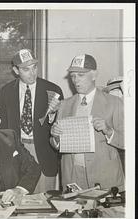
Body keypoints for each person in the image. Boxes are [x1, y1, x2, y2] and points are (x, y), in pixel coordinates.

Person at [50, 54, 124, 191]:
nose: (75, 80)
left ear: (94, 75)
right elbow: (56, 145)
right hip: (72, 177)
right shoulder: (64, 105)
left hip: (104, 177)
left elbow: (129, 142)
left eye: (81, 75)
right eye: (73, 76)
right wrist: (55, 137)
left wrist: (109, 131)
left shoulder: (114, 103)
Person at [0, 49, 64, 193]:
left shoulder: (53, 90)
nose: (32, 73)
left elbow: (60, 126)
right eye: (26, 69)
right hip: (17, 152)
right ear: (15, 70)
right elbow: (2, 128)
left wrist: (53, 115)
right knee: (19, 199)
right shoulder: (5, 92)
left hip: (44, 153)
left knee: (44, 201)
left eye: (34, 67)